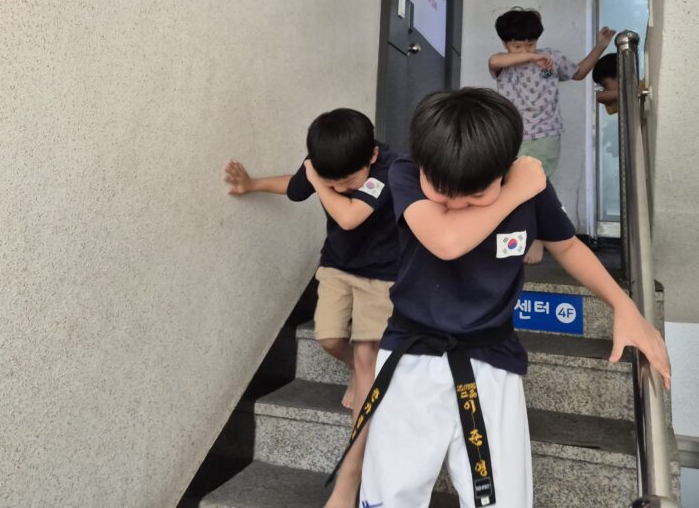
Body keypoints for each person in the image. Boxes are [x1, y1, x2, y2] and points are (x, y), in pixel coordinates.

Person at [352, 88, 670, 508]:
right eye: (442, 191)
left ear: (503, 169)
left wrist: (624, 306)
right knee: (390, 494)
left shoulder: (530, 187)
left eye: (474, 195)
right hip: (410, 356)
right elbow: (447, 242)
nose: (456, 204)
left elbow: (567, 246)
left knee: (503, 498)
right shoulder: (408, 173)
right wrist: (515, 191)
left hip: (492, 359)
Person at [223, 108, 399, 508]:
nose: (339, 188)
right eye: (331, 180)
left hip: (383, 275)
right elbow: (294, 185)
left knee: (368, 355)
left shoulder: (389, 169)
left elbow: (350, 217)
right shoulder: (328, 164)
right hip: (337, 266)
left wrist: (320, 180)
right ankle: (362, 372)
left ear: (372, 155)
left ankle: (349, 482)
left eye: (347, 182)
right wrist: (251, 184)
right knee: (329, 339)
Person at [489, 8, 616, 263]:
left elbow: (578, 73)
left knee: (533, 188)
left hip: (545, 136)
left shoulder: (551, 57)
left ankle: (536, 240)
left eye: (530, 44)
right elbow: (494, 61)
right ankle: (519, 240)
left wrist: (600, 47)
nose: (524, 50)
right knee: (510, 188)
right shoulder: (505, 62)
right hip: (511, 136)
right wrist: (532, 56)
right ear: (505, 43)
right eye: (517, 46)